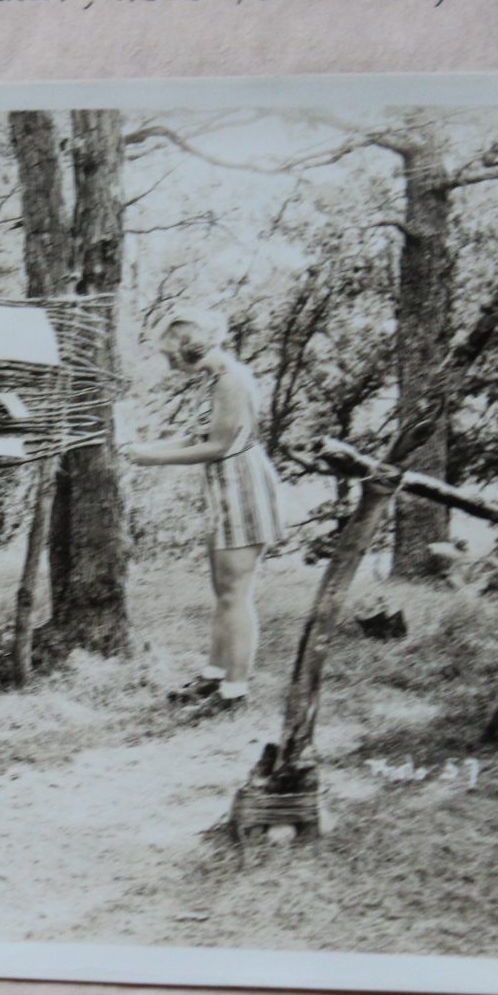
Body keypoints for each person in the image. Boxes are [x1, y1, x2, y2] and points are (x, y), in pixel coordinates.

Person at [122, 306, 284, 719]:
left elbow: (219, 447)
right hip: (225, 489)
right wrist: (142, 449)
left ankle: (235, 690)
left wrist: (152, 460)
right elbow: (197, 436)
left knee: (235, 593)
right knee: (223, 592)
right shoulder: (215, 379)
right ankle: (213, 675)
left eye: (170, 355)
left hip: (242, 488)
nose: (169, 364)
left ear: (190, 347)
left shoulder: (231, 380)